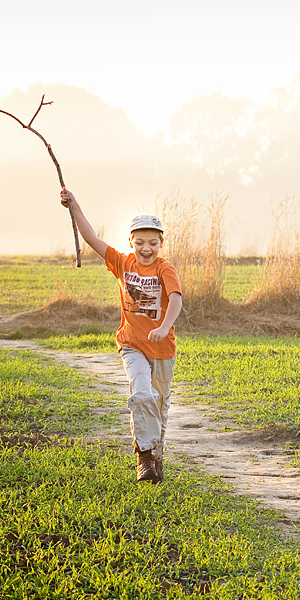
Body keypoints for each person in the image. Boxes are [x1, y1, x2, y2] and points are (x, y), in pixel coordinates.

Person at [60, 188, 183, 484]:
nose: (146, 248)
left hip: (162, 348)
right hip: (131, 346)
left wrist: (164, 326)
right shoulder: (121, 263)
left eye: (153, 242)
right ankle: (144, 455)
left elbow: (176, 299)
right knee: (142, 394)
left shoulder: (165, 268)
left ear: (161, 243)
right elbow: (91, 239)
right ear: (130, 242)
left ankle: (155, 458)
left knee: (159, 406)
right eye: (139, 242)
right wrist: (74, 204)